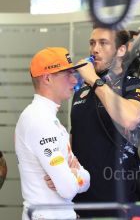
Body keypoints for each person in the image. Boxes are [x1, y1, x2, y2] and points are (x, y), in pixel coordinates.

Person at [71, 27, 140, 217]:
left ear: (121, 50)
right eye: (92, 43)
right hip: (81, 202)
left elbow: (131, 118)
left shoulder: (135, 85)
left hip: (121, 203)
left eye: (103, 43)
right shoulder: (81, 91)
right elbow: (75, 138)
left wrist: (94, 80)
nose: (95, 49)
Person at [15, 47, 90, 220]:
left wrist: (76, 175)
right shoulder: (38, 119)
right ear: (47, 78)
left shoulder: (49, 119)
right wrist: (76, 175)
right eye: (68, 74)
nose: (74, 80)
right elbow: (68, 189)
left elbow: (85, 181)